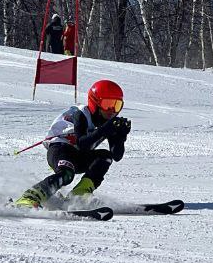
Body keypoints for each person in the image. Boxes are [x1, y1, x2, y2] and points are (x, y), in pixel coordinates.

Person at [14, 79, 130, 208]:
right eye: (108, 104)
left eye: (117, 105)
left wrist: (120, 137)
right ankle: (29, 197)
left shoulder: (110, 122)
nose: (112, 110)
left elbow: (116, 155)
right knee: (66, 175)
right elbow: (83, 144)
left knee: (105, 157)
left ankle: (79, 194)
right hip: (60, 149)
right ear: (95, 102)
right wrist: (104, 130)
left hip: (79, 155)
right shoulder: (80, 114)